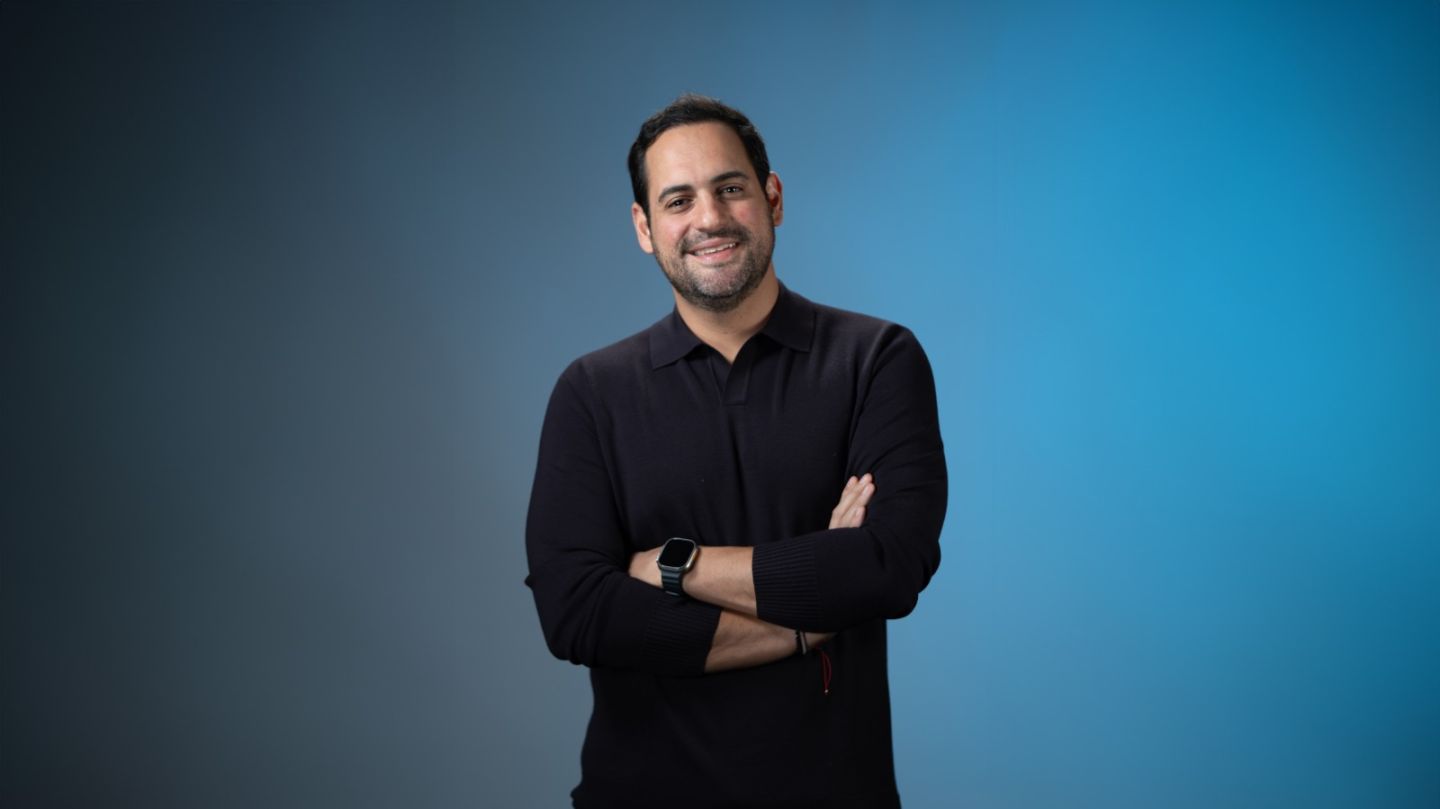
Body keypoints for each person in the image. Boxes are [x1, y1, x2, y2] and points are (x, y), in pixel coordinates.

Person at [525, 94, 948, 809]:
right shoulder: (591, 392)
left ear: (772, 197)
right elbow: (577, 613)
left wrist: (675, 566)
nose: (709, 219)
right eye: (678, 200)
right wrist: (807, 622)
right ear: (644, 228)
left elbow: (888, 565)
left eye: (730, 188)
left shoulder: (876, 359)